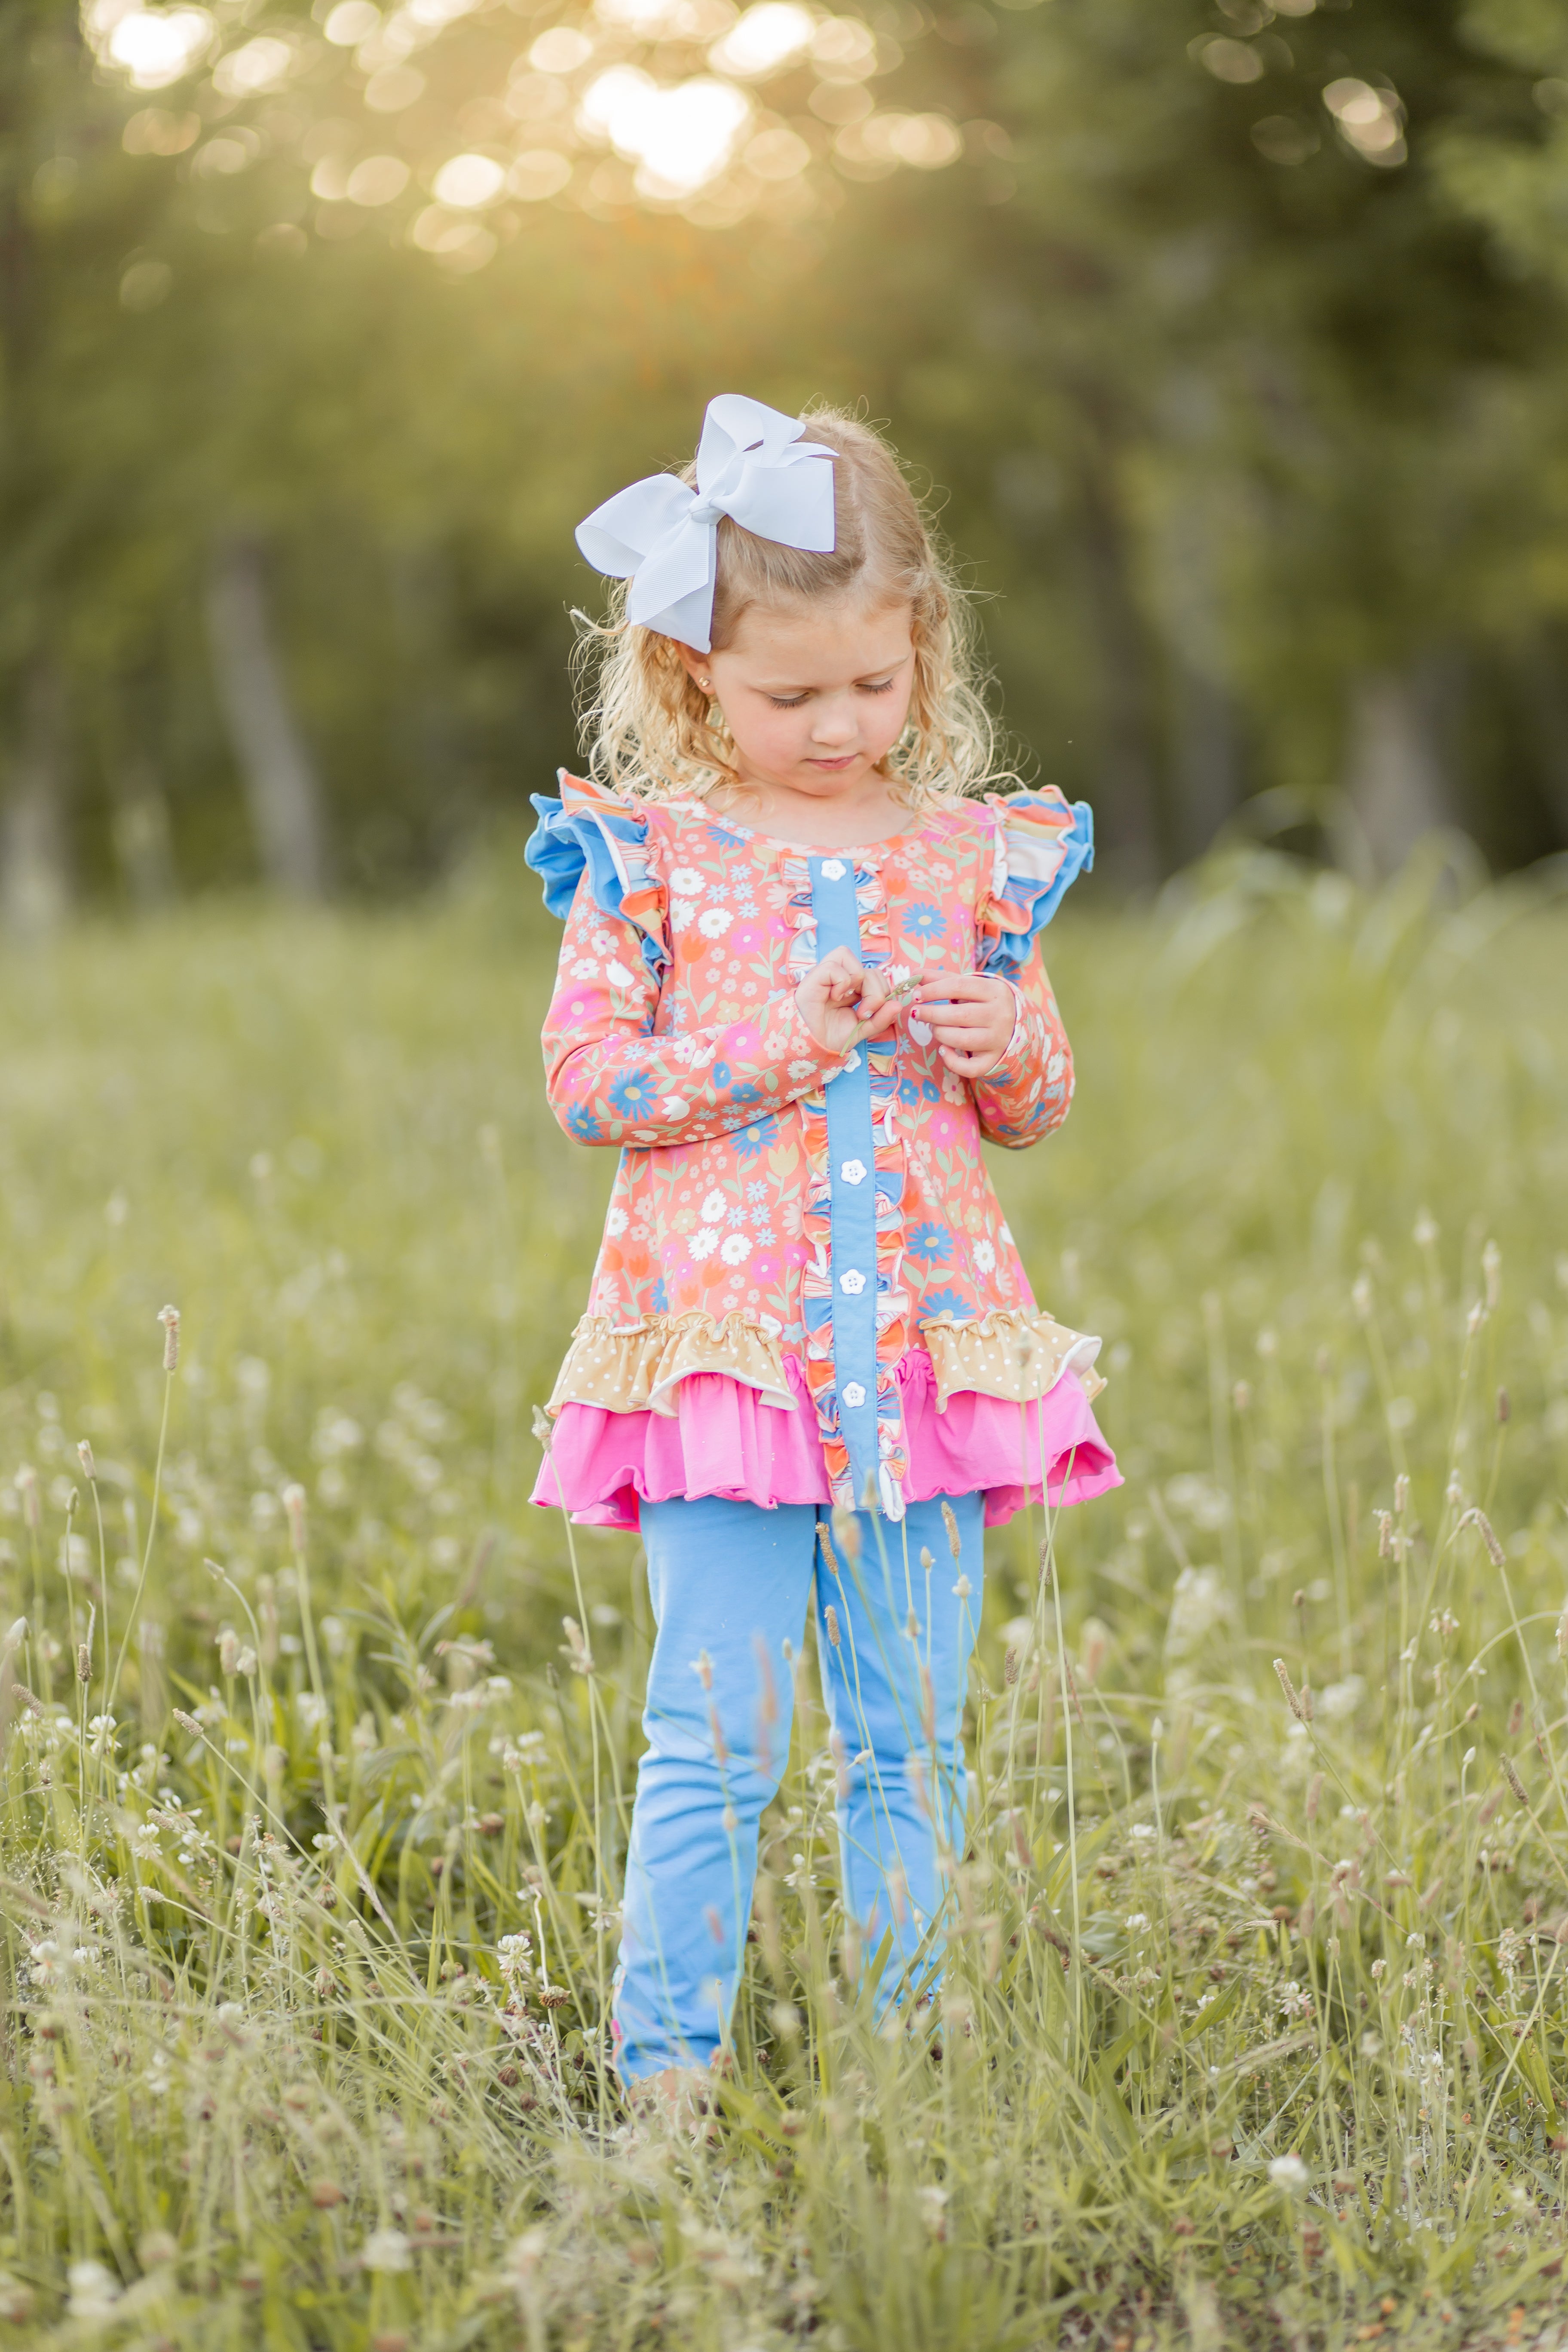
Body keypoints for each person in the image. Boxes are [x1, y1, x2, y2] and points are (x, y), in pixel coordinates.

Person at [525, 393, 1120, 2112]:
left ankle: (909, 2075)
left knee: (912, 1743)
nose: (841, 723)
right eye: (794, 695)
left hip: (928, 1368)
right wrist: (789, 1039)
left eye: (876, 683)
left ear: (921, 648)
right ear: (694, 669)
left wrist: (1000, 1026)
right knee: (711, 1741)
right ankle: (665, 2085)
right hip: (727, 1368)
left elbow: (1039, 1102)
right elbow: (590, 1087)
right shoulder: (651, 860)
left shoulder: (970, 858)